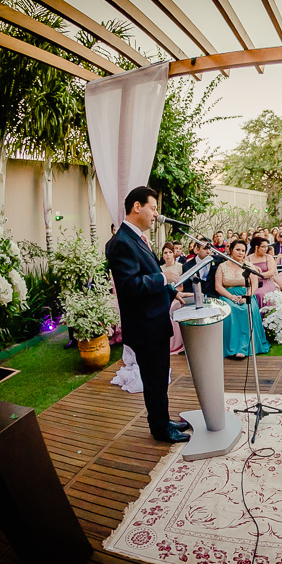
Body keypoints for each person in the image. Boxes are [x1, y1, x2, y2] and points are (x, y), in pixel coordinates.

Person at [105, 186, 192, 443]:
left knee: (159, 377)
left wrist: (171, 291)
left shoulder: (137, 238)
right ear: (137, 207)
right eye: (153, 208)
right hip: (145, 325)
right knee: (154, 379)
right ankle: (160, 430)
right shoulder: (121, 242)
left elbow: (147, 274)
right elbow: (131, 286)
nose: (156, 214)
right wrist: (163, 276)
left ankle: (163, 420)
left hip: (154, 320)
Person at [215, 239, 270, 359]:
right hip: (227, 295)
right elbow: (218, 286)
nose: (240, 253)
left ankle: (244, 348)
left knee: (246, 310)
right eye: (237, 249)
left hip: (246, 294)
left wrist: (247, 297)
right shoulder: (222, 266)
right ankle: (231, 348)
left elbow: (254, 284)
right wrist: (231, 297)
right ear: (231, 250)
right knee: (231, 310)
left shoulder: (249, 266)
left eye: (243, 250)